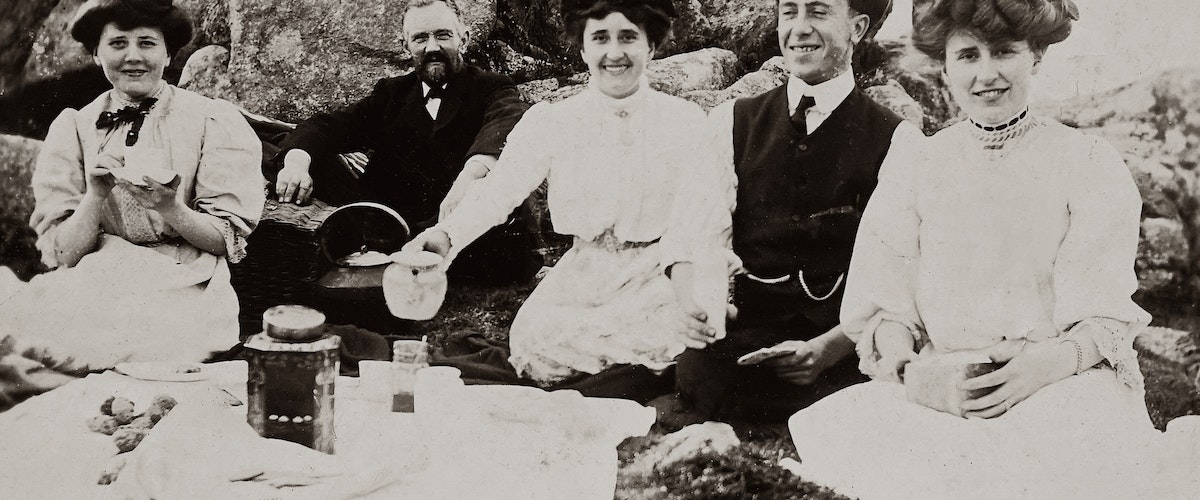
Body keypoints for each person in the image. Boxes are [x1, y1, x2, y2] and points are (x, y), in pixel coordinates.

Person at [786, 1, 1200, 498]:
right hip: (945, 385)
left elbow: (1106, 319)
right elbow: (887, 305)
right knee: (850, 430)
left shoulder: (1086, 161)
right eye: (967, 56)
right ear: (945, 65)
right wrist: (910, 371)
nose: (986, 75)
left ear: (1037, 56)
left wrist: (1046, 366)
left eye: (1004, 52)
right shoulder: (919, 165)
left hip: (1060, 382)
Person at [404, 0, 705, 402]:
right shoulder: (554, 121)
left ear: (651, 47)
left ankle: (634, 370)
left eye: (629, 37)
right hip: (584, 272)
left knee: (669, 332)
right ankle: (623, 376)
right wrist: (446, 236)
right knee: (536, 344)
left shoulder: (686, 122)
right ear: (582, 49)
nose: (613, 53)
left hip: (656, 274)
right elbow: (499, 192)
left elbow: (706, 217)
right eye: (599, 38)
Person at [663, 0, 921, 424]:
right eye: (790, 13)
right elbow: (691, 234)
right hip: (739, 344)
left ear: (857, 28)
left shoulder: (897, 140)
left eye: (818, 12)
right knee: (703, 387)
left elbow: (898, 277)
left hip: (839, 348)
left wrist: (826, 350)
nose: (800, 29)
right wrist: (694, 304)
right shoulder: (733, 120)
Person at [0, 0, 265, 375]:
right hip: (99, 276)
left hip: (185, 280)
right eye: (118, 43)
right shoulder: (75, 128)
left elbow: (226, 238)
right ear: (95, 53)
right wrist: (95, 196)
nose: (133, 57)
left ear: (169, 53)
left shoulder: (211, 120)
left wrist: (171, 208)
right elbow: (64, 254)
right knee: (23, 331)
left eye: (146, 43)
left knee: (126, 350)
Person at [272, 0, 540, 284]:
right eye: (421, 38)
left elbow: (505, 123)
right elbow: (327, 125)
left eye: (443, 35)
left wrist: (470, 177)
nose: (432, 47)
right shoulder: (391, 94)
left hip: (460, 228)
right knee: (301, 153)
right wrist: (296, 163)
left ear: (465, 38)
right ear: (405, 46)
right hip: (392, 224)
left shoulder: (492, 86)